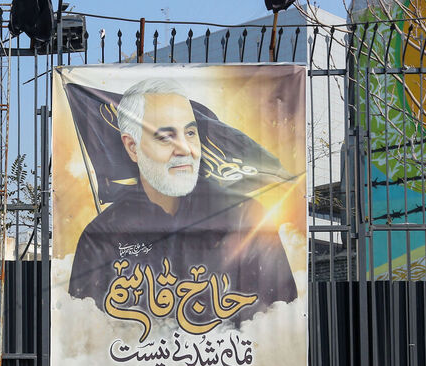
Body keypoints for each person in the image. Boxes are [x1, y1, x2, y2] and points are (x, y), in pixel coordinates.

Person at [68, 79, 297, 325]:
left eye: (190, 133)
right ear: (132, 147)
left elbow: (278, 323)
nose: (185, 149)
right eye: (166, 137)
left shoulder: (245, 216)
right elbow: (86, 336)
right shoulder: (103, 234)